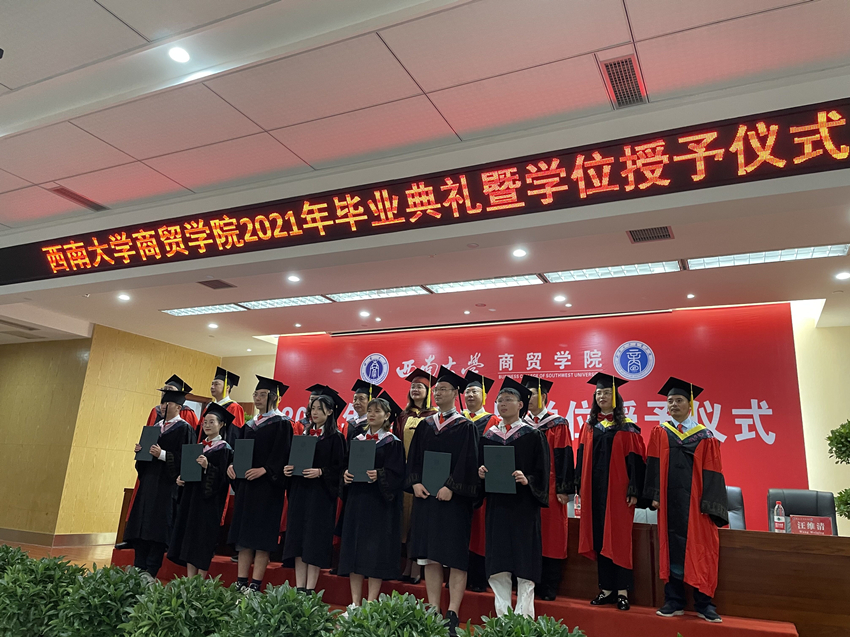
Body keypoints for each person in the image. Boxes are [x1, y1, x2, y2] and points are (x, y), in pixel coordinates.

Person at [645, 377, 728, 623]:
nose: (673, 405)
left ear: (690, 404)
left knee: (701, 550)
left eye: (679, 400)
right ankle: (674, 601)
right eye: (670, 401)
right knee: (670, 548)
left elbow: (713, 471)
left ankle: (704, 603)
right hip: (669, 503)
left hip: (696, 505)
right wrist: (654, 496)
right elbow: (653, 464)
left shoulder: (704, 436)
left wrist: (710, 505)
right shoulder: (660, 432)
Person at [405, 366, 480, 636]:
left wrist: (452, 487)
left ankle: (453, 613)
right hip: (427, 498)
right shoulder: (426, 425)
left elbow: (468, 462)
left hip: (453, 502)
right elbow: (414, 458)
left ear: (455, 393)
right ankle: (434, 609)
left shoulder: (465, 426)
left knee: (454, 557)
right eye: (436, 390)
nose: (437, 394)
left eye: (443, 390)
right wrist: (415, 482)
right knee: (430, 557)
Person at [575, 373, 647, 611]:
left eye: (607, 393)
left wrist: (634, 489)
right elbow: (581, 457)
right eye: (599, 393)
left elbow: (635, 461)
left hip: (618, 493)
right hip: (594, 491)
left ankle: (623, 592)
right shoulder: (589, 427)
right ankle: (606, 589)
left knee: (619, 539)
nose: (602, 396)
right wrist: (578, 485)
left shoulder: (627, 428)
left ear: (616, 397)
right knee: (599, 537)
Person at [478, 377, 549, 618]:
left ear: (520, 405)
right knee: (499, 563)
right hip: (497, 506)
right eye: (499, 400)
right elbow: (481, 469)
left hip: (523, 507)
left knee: (524, 562)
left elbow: (543, 471)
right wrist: (481, 473)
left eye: (508, 400)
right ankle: (502, 617)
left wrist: (528, 479)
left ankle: (523, 620)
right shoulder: (489, 435)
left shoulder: (533, 435)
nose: (502, 404)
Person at [226, 375, 293, 593]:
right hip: (247, 487)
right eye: (255, 394)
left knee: (261, 539)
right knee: (244, 538)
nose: (257, 398)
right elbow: (241, 451)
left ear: (273, 397)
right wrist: (233, 466)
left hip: (267, 489)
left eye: (262, 395)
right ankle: (241, 582)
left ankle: (255, 585)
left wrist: (265, 470)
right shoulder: (249, 425)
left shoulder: (282, 423)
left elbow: (283, 453)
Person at [339, 393, 406, 610]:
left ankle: (370, 603)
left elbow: (398, 475)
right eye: (369, 411)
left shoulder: (392, 443)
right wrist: (345, 475)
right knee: (354, 551)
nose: (372, 414)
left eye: (377, 411)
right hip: (357, 502)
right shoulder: (357, 440)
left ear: (387, 416)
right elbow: (345, 466)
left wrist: (380, 475)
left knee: (374, 553)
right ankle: (355, 602)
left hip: (379, 505)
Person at [123, 389, 195, 582]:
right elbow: (142, 465)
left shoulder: (184, 429)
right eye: (162, 403)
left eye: (167, 403)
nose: (163, 407)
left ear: (178, 407)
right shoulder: (154, 428)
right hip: (148, 484)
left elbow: (186, 460)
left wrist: (162, 455)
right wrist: (140, 453)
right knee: (141, 527)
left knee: (157, 530)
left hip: (166, 487)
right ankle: (138, 568)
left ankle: (151, 571)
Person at [282, 389, 347, 592]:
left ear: (330, 412)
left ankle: (310, 589)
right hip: (301, 493)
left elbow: (340, 468)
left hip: (320, 497)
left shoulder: (335, 438)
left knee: (313, 541)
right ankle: (299, 587)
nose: (315, 412)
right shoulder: (303, 435)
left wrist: (320, 472)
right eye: (313, 408)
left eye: (320, 408)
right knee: (298, 540)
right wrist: (289, 469)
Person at [521, 375, 574, 601]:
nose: (529, 398)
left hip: (551, 488)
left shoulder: (557, 423)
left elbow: (564, 455)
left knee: (551, 536)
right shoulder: (520, 424)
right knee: (525, 534)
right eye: (526, 395)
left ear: (544, 397)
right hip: (524, 486)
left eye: (533, 394)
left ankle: (549, 585)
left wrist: (564, 488)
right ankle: (526, 581)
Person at [168, 402, 234, 577]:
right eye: (205, 422)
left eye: (212, 422)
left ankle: (201, 580)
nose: (207, 425)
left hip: (209, 504)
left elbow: (223, 480)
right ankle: (190, 579)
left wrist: (208, 467)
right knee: (190, 539)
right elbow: (189, 472)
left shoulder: (224, 449)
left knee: (203, 540)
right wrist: (182, 479)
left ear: (221, 424)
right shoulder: (198, 447)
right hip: (192, 501)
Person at [397, 368, 437, 585]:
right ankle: (404, 564)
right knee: (402, 519)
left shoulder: (434, 417)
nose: (415, 390)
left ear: (428, 391)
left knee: (417, 520)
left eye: (420, 386)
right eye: (413, 387)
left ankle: (416, 567)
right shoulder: (403, 416)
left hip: (422, 474)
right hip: (403, 473)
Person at [462, 371, 497, 593]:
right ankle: (459, 575)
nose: (470, 395)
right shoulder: (458, 419)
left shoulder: (493, 420)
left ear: (484, 395)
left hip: (482, 483)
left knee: (480, 531)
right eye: (467, 391)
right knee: (460, 530)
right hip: (459, 482)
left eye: (475, 391)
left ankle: (479, 577)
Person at [204, 367, 245, 445]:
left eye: (216, 384)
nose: (212, 387)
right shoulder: (209, 406)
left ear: (227, 388)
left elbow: (235, 433)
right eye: (212, 384)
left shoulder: (234, 407)